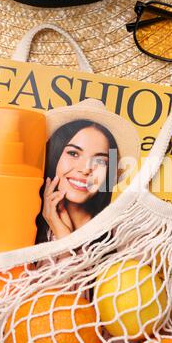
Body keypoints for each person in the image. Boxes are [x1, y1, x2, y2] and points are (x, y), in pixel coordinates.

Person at [35, 98, 140, 244]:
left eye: (100, 161)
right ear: (54, 155)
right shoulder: (26, 223)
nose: (85, 169)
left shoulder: (123, 237)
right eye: (73, 153)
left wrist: (63, 235)